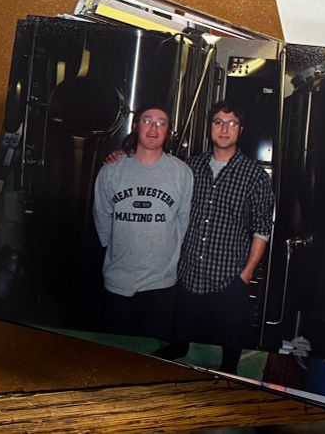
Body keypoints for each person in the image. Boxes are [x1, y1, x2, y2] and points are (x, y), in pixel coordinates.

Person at [174, 101, 275, 373]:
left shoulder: (254, 176)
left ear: (240, 130)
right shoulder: (190, 167)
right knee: (179, 344)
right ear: (210, 127)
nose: (224, 129)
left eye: (232, 123)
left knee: (229, 354)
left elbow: (262, 229)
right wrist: (123, 154)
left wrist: (246, 275)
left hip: (228, 279)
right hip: (188, 274)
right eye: (218, 122)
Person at [92, 105, 193, 340]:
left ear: (168, 131)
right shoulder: (111, 171)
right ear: (136, 126)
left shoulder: (182, 173)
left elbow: (183, 220)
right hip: (117, 282)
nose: (153, 128)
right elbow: (102, 216)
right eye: (147, 121)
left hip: (161, 284)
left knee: (153, 352)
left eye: (161, 123)